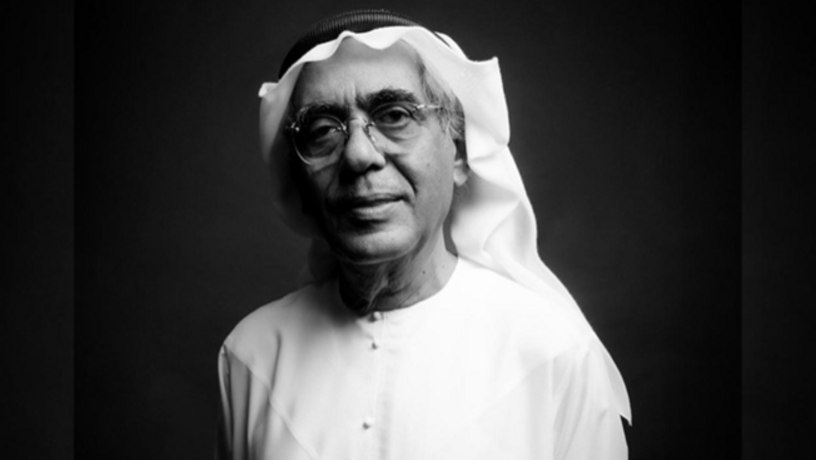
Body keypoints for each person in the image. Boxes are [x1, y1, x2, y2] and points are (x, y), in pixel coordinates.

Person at [217, 9, 631, 460]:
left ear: (459, 153)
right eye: (323, 131)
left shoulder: (553, 352)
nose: (358, 155)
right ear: (298, 181)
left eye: (395, 115)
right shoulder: (250, 356)